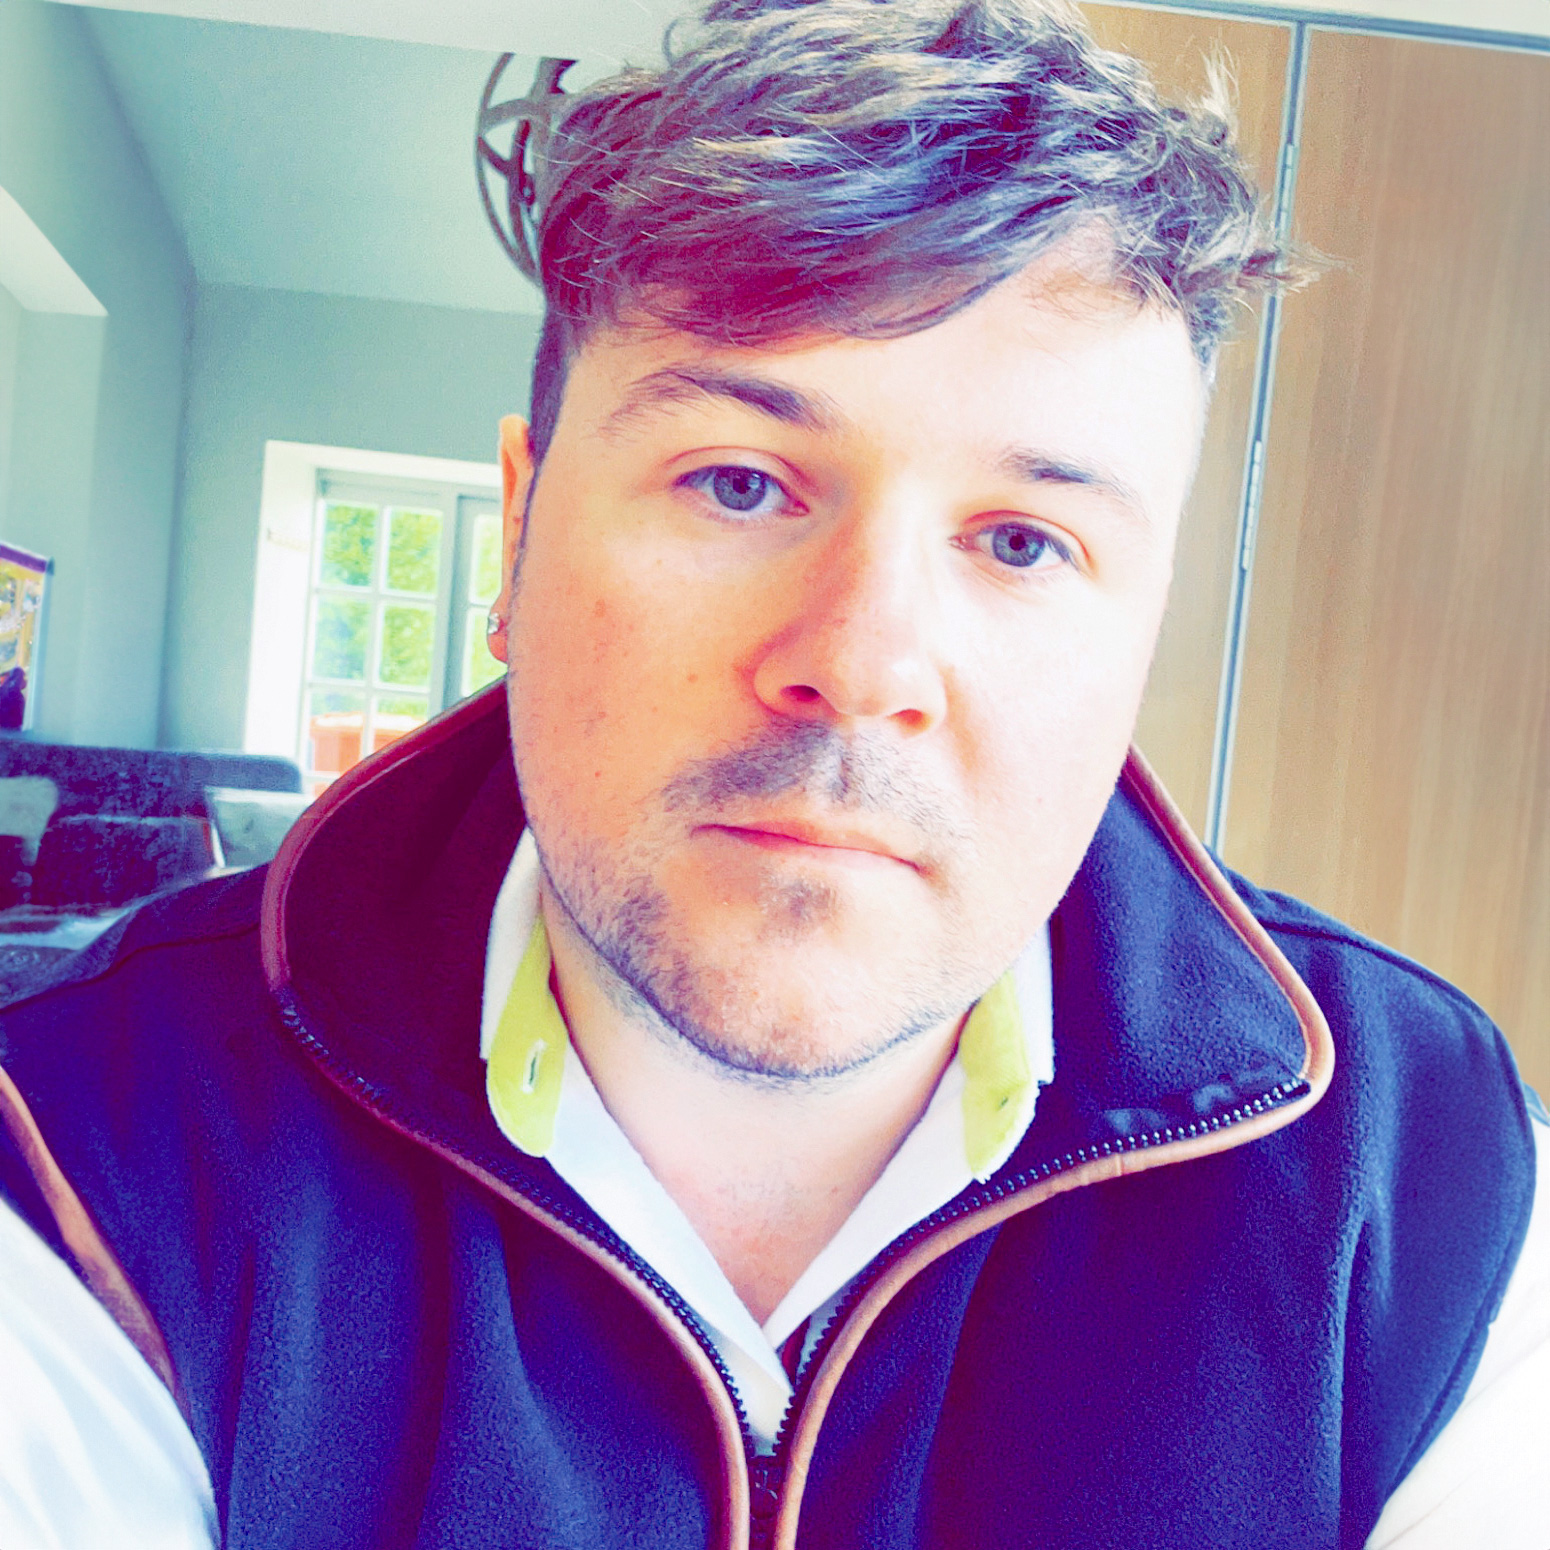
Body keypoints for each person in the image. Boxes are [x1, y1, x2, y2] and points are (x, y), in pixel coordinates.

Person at [1, 0, 1544, 1545]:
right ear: (519, 530)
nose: (862, 662)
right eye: (737, 482)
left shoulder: (1432, 1189)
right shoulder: (85, 1152)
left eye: (1022, 541)